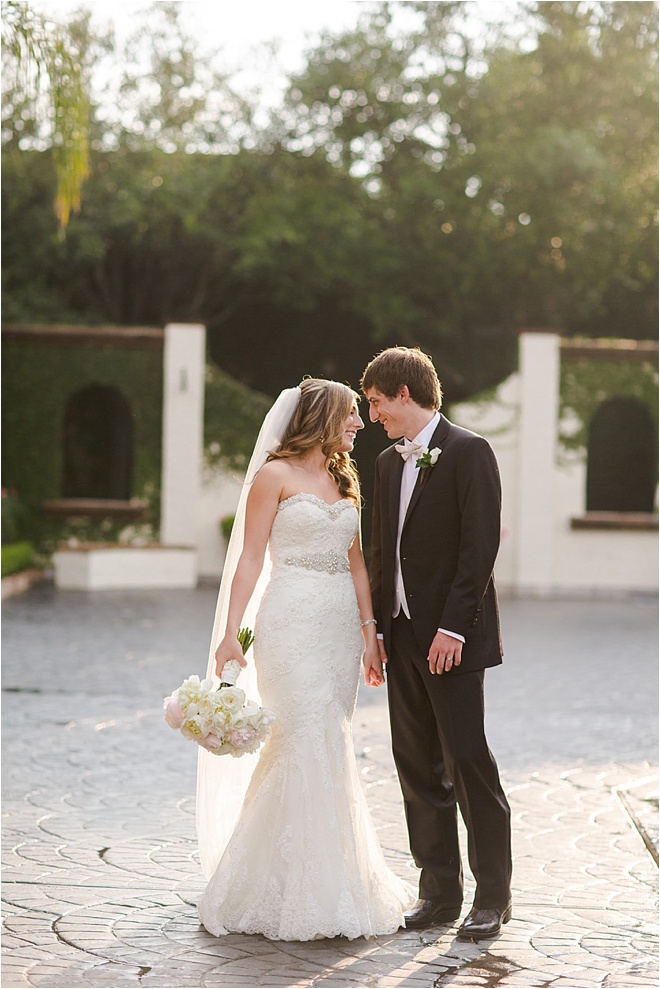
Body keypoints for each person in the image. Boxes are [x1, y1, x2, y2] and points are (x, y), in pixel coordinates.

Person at [196, 378, 415, 942]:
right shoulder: (273, 476)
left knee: (330, 737)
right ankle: (270, 886)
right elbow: (248, 560)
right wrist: (230, 635)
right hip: (289, 622)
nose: (360, 424)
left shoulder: (345, 480)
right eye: (350, 415)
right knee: (297, 734)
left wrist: (370, 634)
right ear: (322, 417)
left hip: (340, 626)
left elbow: (359, 565)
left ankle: (332, 881)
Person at [361, 347, 512, 941]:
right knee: (415, 763)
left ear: (404, 393)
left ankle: (493, 897)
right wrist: (375, 628)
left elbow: (479, 550)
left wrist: (453, 627)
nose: (373, 416)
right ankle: (438, 892)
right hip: (399, 635)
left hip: (451, 638)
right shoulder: (385, 464)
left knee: (467, 760)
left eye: (376, 402)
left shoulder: (471, 452)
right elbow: (380, 552)